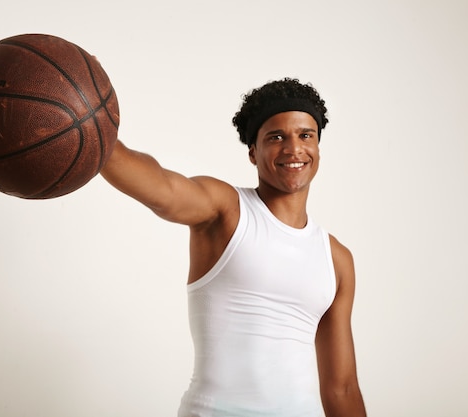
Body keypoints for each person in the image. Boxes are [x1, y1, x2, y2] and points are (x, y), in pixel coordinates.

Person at [100, 78, 366, 417]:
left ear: (318, 147)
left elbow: (341, 387)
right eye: (276, 137)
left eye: (305, 135)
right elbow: (163, 189)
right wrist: (91, 129)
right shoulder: (226, 210)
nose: (294, 148)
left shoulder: (336, 259)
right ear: (253, 152)